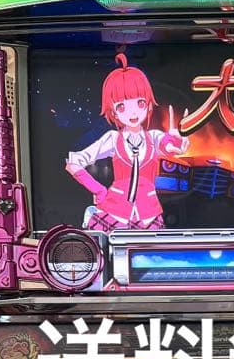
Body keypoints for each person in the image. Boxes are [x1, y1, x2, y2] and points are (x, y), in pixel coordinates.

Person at [66, 53, 189, 230]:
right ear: (114, 112)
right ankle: (93, 214)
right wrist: (99, 190)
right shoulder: (113, 139)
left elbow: (168, 146)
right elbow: (74, 163)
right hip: (115, 210)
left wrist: (176, 141)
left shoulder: (153, 137)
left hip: (148, 214)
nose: (132, 113)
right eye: (122, 106)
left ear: (148, 105)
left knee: (152, 248)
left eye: (140, 103)